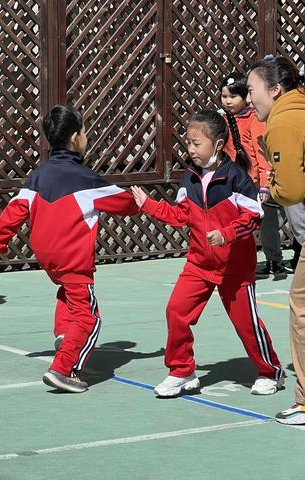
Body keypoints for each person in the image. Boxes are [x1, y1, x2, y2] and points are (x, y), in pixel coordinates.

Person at [131, 109, 284, 397]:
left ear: (217, 144)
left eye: (196, 143)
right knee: (176, 311)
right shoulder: (188, 177)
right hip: (198, 264)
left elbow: (253, 218)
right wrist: (148, 205)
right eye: (188, 142)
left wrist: (225, 234)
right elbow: (180, 216)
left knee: (246, 325)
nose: (190, 148)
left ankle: (269, 371)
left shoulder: (236, 178)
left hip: (234, 270)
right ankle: (182, 371)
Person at [0, 105, 139, 393]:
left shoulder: (38, 175)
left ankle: (62, 334)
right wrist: (140, 202)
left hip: (48, 256)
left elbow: (15, 210)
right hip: (72, 256)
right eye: (84, 131)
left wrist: (0, 240)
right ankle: (64, 367)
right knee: (89, 317)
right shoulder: (85, 179)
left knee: (66, 291)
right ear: (75, 137)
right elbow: (126, 204)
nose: (86, 136)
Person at [247, 55, 305, 424]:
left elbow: (293, 188)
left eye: (252, 90)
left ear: (274, 89)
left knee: (300, 310)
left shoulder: (283, 121)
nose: (249, 98)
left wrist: (269, 192)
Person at [220, 73, 288, 278]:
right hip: (232, 182)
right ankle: (235, 261)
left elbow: (261, 153)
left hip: (254, 183)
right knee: (235, 224)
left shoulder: (255, 118)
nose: (228, 101)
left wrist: (265, 184)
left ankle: (274, 261)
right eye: (224, 96)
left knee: (264, 224)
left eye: (233, 96)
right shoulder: (223, 118)